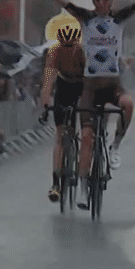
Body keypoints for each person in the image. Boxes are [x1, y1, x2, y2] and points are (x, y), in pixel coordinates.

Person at [35, 0, 135, 210]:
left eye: (105, 0)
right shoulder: (85, 18)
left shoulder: (118, 18)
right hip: (90, 87)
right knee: (86, 136)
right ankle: (85, 190)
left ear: (111, 1)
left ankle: (115, 145)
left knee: (128, 105)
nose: (100, 4)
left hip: (112, 84)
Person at [39, 23, 85, 203]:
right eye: (64, 45)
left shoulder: (83, 52)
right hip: (64, 87)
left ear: (76, 42)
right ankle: (56, 182)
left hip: (82, 86)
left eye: (70, 45)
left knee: (83, 120)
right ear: (59, 42)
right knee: (59, 135)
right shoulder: (54, 52)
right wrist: (44, 105)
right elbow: (48, 81)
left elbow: (91, 80)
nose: (67, 49)